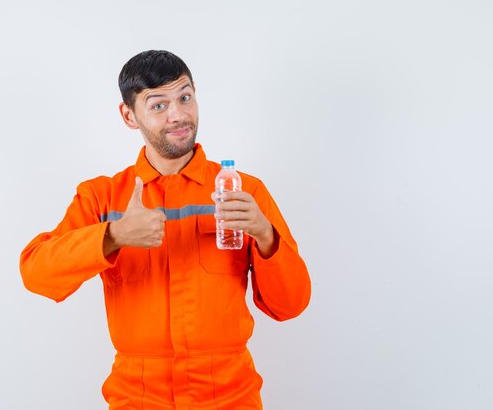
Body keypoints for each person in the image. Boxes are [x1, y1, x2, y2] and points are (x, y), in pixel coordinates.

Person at [20, 50, 311, 410]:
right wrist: (114, 236)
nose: (178, 115)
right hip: (138, 398)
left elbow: (291, 305)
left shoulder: (241, 191)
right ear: (129, 115)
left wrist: (266, 237)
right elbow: (37, 274)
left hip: (230, 396)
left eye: (185, 98)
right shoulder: (102, 197)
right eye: (158, 105)